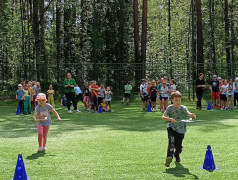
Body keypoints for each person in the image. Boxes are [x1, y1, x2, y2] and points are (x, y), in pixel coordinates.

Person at [162, 91, 196, 167]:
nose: (178, 102)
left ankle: (176, 154)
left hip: (181, 130)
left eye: (179, 100)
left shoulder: (183, 108)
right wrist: (170, 119)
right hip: (171, 128)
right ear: (172, 100)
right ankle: (169, 157)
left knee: (179, 147)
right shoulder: (170, 108)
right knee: (171, 141)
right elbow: (163, 117)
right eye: (176, 100)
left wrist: (191, 115)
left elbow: (188, 113)